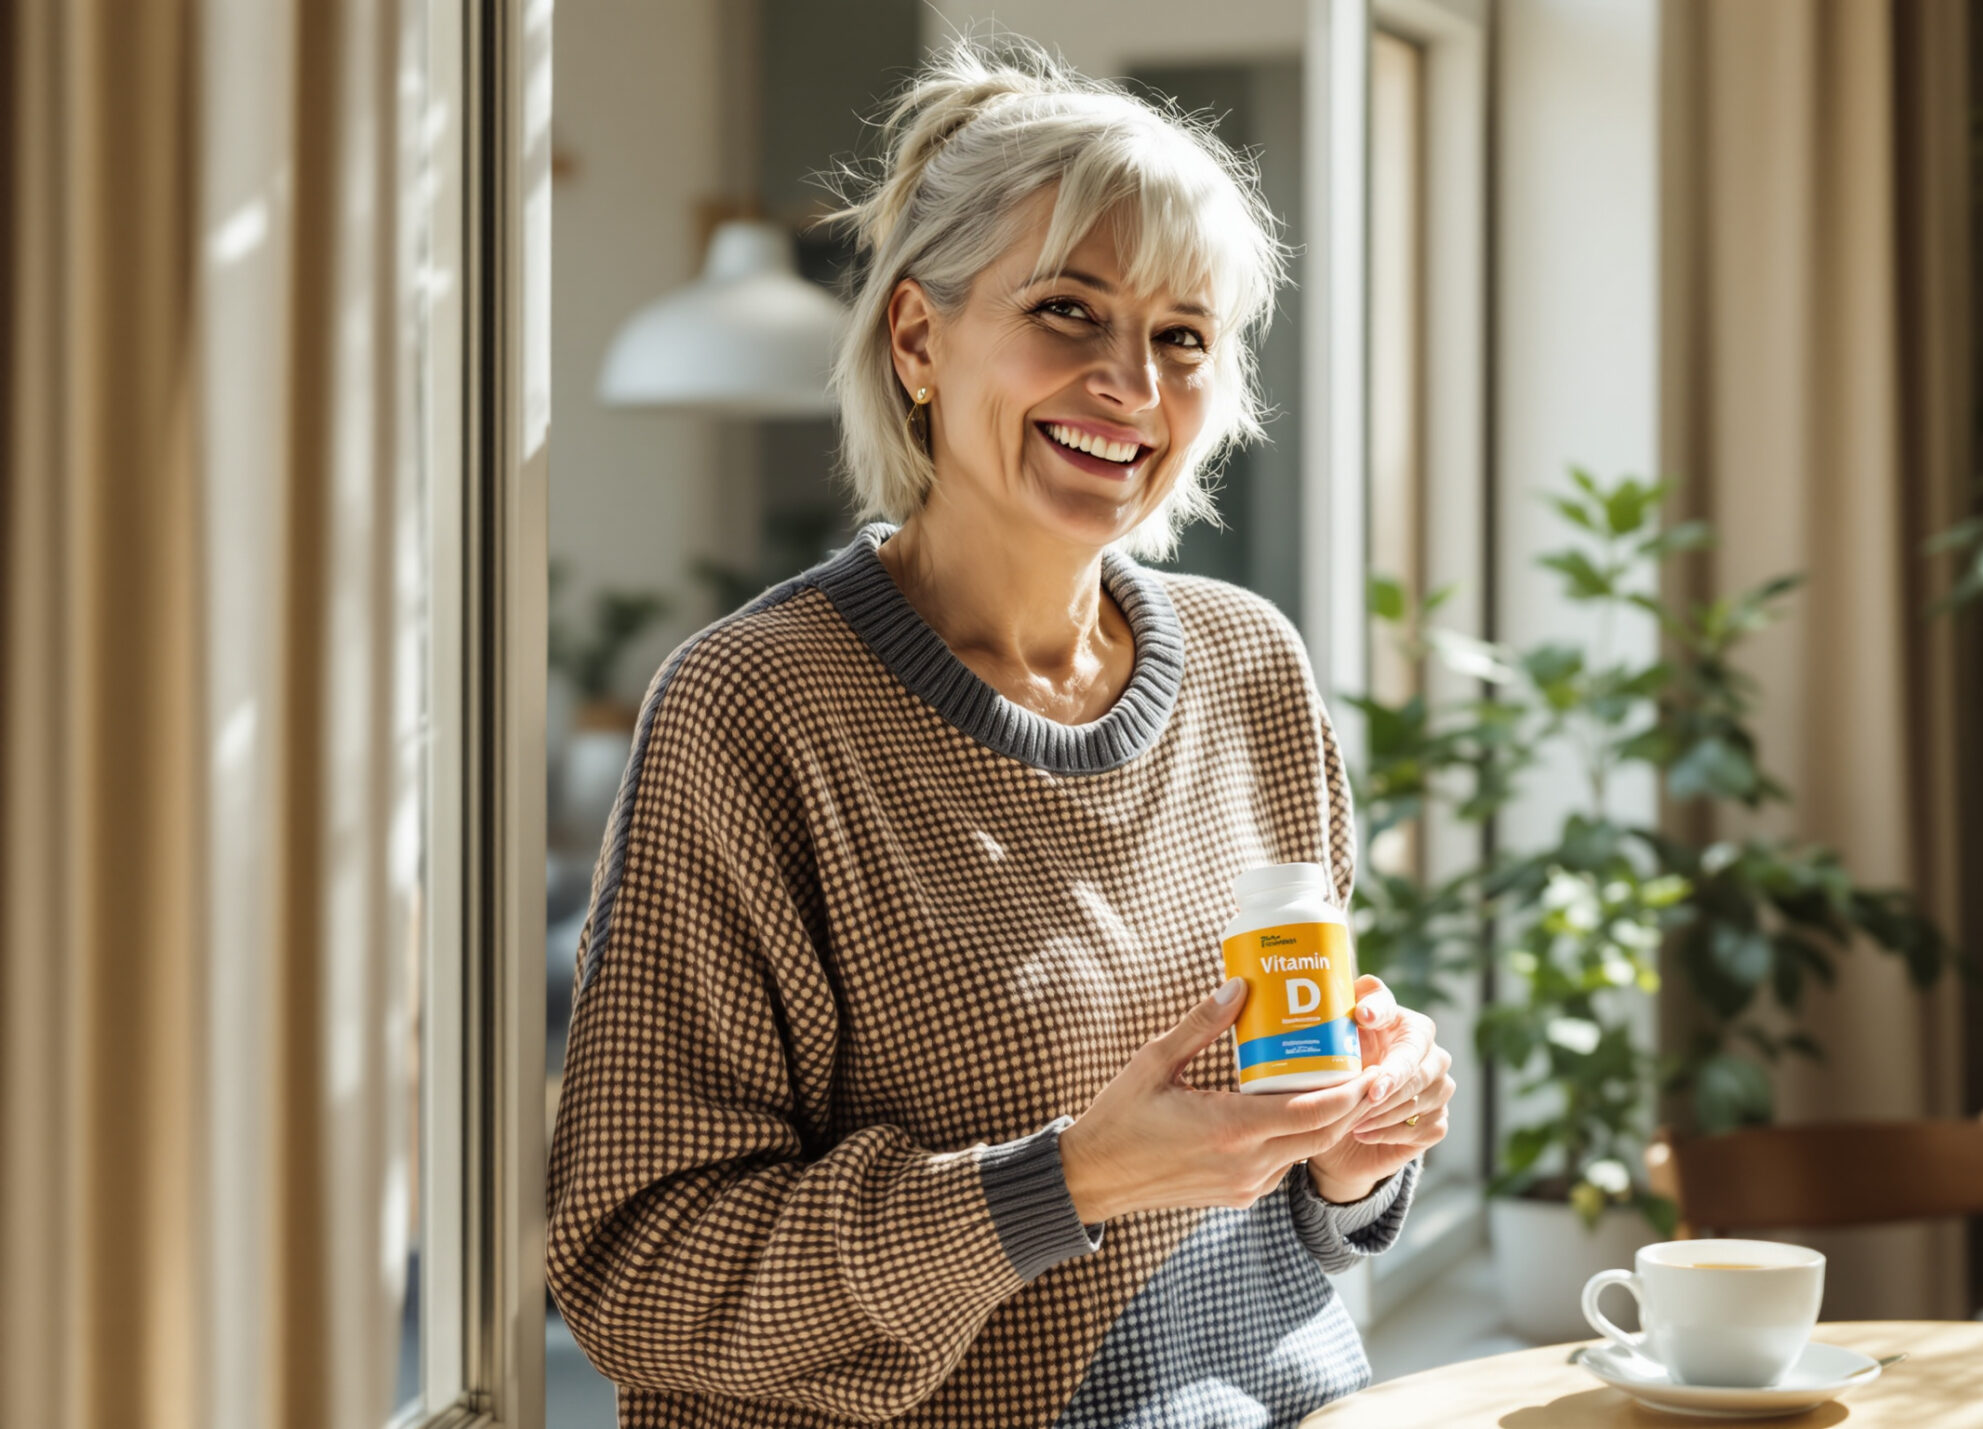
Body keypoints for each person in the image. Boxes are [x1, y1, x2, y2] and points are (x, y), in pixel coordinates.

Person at [544, 35, 1457, 1429]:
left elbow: (1281, 1207)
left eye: (1181, 339)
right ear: (917, 337)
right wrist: (1067, 1179)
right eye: (1070, 312)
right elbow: (644, 1278)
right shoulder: (758, 710)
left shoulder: (1249, 667)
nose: (1133, 389)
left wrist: (1353, 1155)